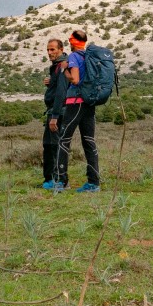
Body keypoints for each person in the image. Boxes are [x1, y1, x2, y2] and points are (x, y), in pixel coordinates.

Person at [59, 30, 100, 192]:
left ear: (73, 41)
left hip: (75, 101)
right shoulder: (89, 57)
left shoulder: (74, 57)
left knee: (63, 140)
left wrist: (65, 69)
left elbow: (74, 79)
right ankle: (93, 182)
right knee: (89, 141)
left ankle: (62, 181)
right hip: (89, 102)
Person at [41, 38, 70, 189]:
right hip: (53, 111)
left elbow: (61, 93)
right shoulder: (56, 67)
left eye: (52, 49)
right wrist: (51, 81)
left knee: (55, 145)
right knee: (48, 144)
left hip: (57, 112)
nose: (50, 52)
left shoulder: (62, 66)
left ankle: (59, 180)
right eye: (48, 49)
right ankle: (50, 179)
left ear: (61, 49)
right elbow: (57, 86)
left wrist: (55, 116)